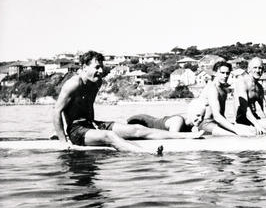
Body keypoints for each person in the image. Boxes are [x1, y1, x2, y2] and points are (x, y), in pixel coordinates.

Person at [53, 50, 203, 152]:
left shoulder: (97, 82)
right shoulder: (73, 84)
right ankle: (146, 153)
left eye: (101, 67)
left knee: (137, 129)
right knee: (110, 136)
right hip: (76, 131)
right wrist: (62, 141)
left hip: (91, 125)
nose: (100, 71)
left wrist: (93, 126)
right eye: (96, 67)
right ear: (84, 67)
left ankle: (185, 135)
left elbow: (87, 107)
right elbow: (56, 112)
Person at [197, 61, 255, 136]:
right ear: (215, 73)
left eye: (227, 73)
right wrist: (236, 130)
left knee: (252, 130)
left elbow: (221, 116)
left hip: (218, 124)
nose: (225, 76)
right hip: (206, 125)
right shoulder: (212, 88)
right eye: (222, 73)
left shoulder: (223, 89)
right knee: (235, 134)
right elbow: (217, 116)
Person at [233, 57, 266, 135]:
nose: (258, 70)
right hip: (242, 122)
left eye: (260, 68)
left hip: (255, 119)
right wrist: (257, 125)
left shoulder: (259, 87)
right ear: (249, 69)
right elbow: (244, 108)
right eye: (255, 68)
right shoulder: (242, 82)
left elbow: (265, 107)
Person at [126, 98, 206, 133]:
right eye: (198, 115)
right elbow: (172, 138)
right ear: (190, 113)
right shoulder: (178, 121)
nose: (200, 119)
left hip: (150, 120)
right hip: (141, 121)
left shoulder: (190, 124)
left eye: (202, 117)